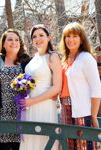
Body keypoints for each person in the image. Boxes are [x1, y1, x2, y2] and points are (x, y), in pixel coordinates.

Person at [19, 24, 62, 150]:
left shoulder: (53, 56)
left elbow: (56, 87)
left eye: (41, 35)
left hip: (44, 106)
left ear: (48, 37)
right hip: (29, 107)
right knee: (30, 141)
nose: (38, 39)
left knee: (44, 142)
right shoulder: (34, 59)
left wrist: (32, 101)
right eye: (34, 37)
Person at [59, 22, 101, 150]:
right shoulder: (64, 60)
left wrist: (93, 115)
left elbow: (96, 88)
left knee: (83, 146)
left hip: (83, 111)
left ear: (81, 39)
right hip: (65, 109)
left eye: (74, 36)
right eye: (67, 36)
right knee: (69, 146)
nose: (70, 39)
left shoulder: (86, 58)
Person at [0, 29, 31, 150]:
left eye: (16, 40)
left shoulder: (27, 61)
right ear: (3, 43)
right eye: (10, 39)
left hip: (22, 111)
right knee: (4, 146)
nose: (14, 42)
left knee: (21, 146)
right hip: (2, 111)